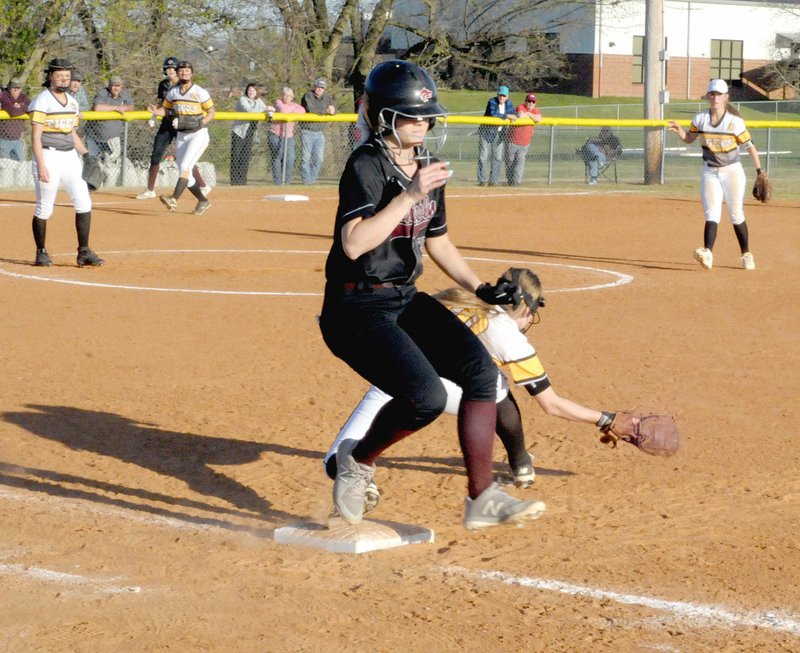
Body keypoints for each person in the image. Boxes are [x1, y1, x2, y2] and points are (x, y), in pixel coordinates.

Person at [318, 60, 545, 531]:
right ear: (383, 117)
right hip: (354, 308)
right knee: (423, 397)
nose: (423, 124)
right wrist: (407, 196)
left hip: (402, 298)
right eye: (411, 116)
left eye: (426, 117)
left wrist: (481, 288)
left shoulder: (424, 167)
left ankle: (481, 497)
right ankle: (357, 461)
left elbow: (437, 240)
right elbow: (355, 243)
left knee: (481, 374)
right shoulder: (366, 164)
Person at [324, 268, 626, 507]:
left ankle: (354, 480)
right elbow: (551, 404)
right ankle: (520, 463)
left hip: (394, 373)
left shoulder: (454, 297)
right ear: (526, 310)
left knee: (336, 458)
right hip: (439, 390)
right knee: (491, 385)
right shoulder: (506, 331)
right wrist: (605, 418)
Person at [667, 79, 761, 271]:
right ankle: (708, 253)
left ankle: (746, 255)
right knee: (711, 213)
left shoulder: (734, 122)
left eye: (719, 94)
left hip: (732, 171)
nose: (715, 97)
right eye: (712, 94)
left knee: (736, 214)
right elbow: (689, 139)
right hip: (710, 171)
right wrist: (680, 132)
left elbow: (749, 146)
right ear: (708, 96)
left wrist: (760, 171)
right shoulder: (700, 119)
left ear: (725, 97)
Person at [28, 58, 104, 268]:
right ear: (50, 77)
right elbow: (35, 137)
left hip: (70, 156)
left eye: (67, 76)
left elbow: (72, 133)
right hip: (47, 155)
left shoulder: (72, 101)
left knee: (84, 202)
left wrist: (86, 155)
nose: (64, 79)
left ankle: (84, 251)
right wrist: (41, 165)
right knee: (45, 207)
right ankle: (41, 252)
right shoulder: (42, 100)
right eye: (60, 75)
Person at [137, 57, 210, 200]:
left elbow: (208, 110)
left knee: (186, 162)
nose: (170, 71)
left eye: (172, 68)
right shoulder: (164, 86)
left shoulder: (190, 88)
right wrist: (153, 115)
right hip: (167, 123)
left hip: (185, 125)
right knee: (158, 154)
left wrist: (198, 122)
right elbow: (163, 105)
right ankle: (150, 189)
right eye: (167, 69)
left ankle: (197, 188)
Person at [84, 76, 133, 172]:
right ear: (109, 86)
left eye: (118, 86)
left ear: (121, 86)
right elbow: (98, 108)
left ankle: (108, 183)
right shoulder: (102, 93)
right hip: (95, 135)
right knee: (92, 161)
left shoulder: (124, 95)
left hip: (112, 136)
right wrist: (117, 108)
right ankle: (90, 183)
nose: (116, 88)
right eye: (114, 85)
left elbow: (131, 107)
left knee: (111, 162)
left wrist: (125, 108)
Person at [230, 83, 270, 185]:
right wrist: (264, 109)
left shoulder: (258, 101)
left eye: (253, 90)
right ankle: (234, 181)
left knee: (245, 157)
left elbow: (266, 108)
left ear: (257, 92)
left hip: (250, 132)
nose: (251, 92)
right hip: (239, 132)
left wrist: (269, 110)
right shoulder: (242, 99)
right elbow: (249, 111)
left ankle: (242, 181)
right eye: (249, 90)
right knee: (236, 156)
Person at [477, 85, 516, 187]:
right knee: (483, 157)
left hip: (499, 134)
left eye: (504, 96)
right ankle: (482, 180)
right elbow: (494, 114)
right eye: (500, 95)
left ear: (507, 96)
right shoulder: (492, 101)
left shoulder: (509, 104)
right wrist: (507, 116)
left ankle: (493, 181)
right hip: (486, 132)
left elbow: (514, 114)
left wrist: (512, 115)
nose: (501, 97)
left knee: (497, 157)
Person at [300, 77, 336, 184]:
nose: (320, 89)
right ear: (314, 87)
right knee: (305, 158)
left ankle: (311, 181)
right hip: (307, 131)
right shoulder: (308, 96)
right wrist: (326, 111)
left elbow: (333, 109)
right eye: (318, 87)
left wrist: (333, 111)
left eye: (322, 88)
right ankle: (306, 182)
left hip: (320, 132)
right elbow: (311, 110)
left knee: (319, 159)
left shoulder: (327, 97)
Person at [268, 86, 305, 185]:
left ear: (292, 97)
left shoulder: (294, 105)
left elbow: (302, 111)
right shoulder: (278, 102)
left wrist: (291, 108)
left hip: (289, 136)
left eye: (289, 96)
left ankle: (287, 182)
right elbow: (283, 111)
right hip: (276, 134)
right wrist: (292, 109)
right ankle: (278, 182)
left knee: (290, 159)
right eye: (284, 95)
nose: (286, 97)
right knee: (277, 157)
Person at [506, 92, 542, 186]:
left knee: (520, 162)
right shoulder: (521, 106)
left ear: (535, 103)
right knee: (510, 162)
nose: (530, 103)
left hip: (525, 143)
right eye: (529, 101)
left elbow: (538, 119)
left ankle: (516, 182)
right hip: (512, 141)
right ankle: (510, 181)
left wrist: (529, 114)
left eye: (533, 102)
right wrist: (531, 116)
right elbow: (521, 115)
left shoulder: (536, 110)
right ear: (525, 101)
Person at [0, 78, 31, 161]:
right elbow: (13, 112)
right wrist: (24, 109)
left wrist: (21, 106)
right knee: (5, 166)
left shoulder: (23, 97)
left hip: (18, 139)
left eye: (18, 88)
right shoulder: (4, 95)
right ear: (9, 88)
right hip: (4, 139)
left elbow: (33, 107)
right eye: (13, 88)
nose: (16, 90)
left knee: (20, 165)